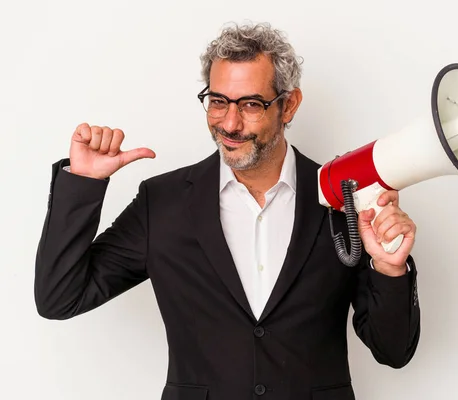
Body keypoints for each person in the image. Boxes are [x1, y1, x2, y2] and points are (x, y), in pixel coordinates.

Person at [35, 21, 420, 400]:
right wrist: (82, 182)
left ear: (289, 105)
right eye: (218, 102)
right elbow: (60, 298)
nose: (230, 124)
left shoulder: (342, 198)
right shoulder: (162, 202)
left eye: (251, 104)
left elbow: (393, 351)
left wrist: (390, 269)